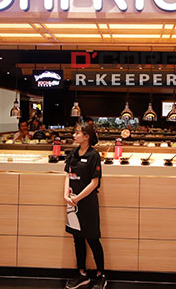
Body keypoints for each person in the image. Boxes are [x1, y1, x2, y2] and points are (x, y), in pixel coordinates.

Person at [64, 123, 106, 289]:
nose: (74, 135)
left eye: (77, 133)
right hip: (73, 203)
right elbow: (67, 175)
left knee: (93, 239)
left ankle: (101, 275)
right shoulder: (73, 153)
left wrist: (78, 198)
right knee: (78, 239)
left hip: (87, 203)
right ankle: (82, 274)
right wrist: (66, 195)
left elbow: (94, 182)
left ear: (87, 136)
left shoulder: (94, 155)